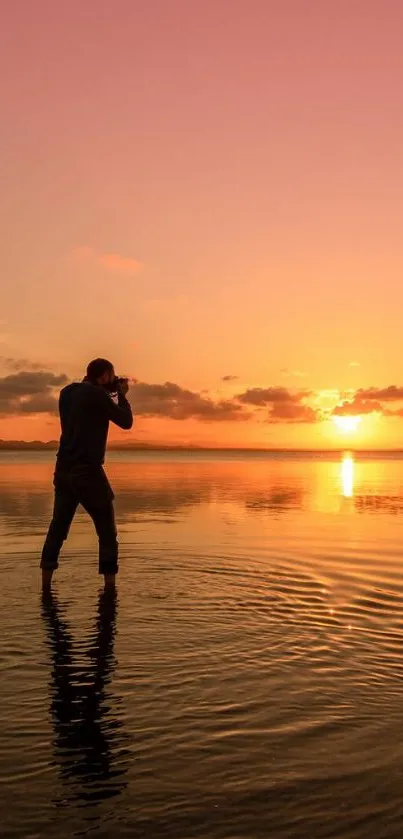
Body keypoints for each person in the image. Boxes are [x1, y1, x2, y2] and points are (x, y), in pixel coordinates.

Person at [40, 358, 133, 591]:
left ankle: (45, 587)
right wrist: (121, 394)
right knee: (107, 533)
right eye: (111, 376)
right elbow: (126, 421)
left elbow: (86, 407)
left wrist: (108, 390)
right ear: (104, 376)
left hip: (63, 469)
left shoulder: (66, 392)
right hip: (88, 472)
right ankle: (110, 590)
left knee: (58, 529)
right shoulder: (97, 395)